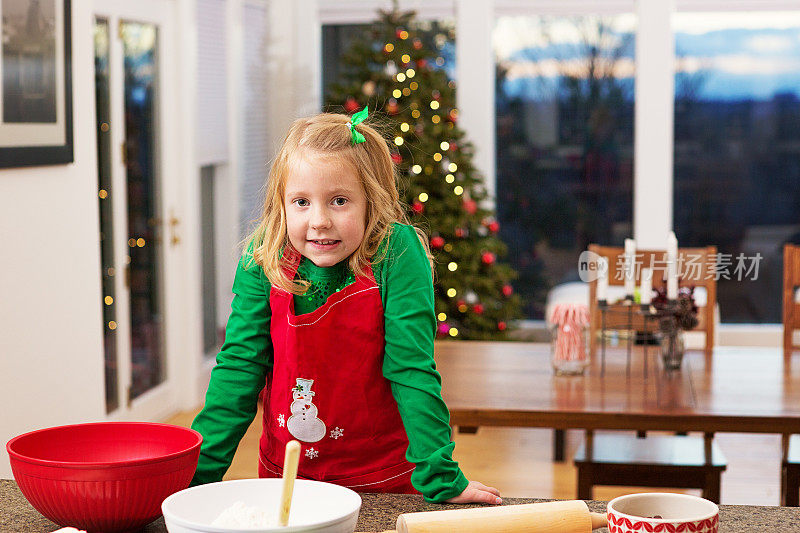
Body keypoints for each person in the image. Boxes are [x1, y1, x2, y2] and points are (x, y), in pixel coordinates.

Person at [190, 108, 502, 504]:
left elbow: (411, 369)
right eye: (300, 202)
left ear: (372, 202)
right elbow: (239, 366)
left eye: (339, 201)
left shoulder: (397, 253)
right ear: (280, 204)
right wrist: (196, 479)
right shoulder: (264, 255)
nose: (318, 220)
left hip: (383, 479)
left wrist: (441, 477)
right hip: (287, 478)